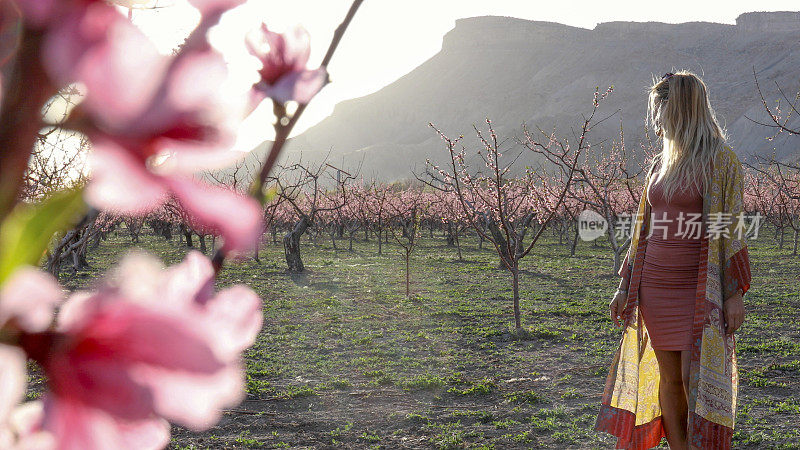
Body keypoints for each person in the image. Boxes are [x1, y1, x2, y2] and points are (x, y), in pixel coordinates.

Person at [595, 70, 752, 450]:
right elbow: (640, 231)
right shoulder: (660, 164)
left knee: (690, 376)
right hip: (654, 287)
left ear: (680, 108)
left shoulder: (721, 162)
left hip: (698, 290)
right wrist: (623, 285)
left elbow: (730, 228)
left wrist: (734, 294)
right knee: (668, 377)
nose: (656, 119)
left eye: (661, 109)